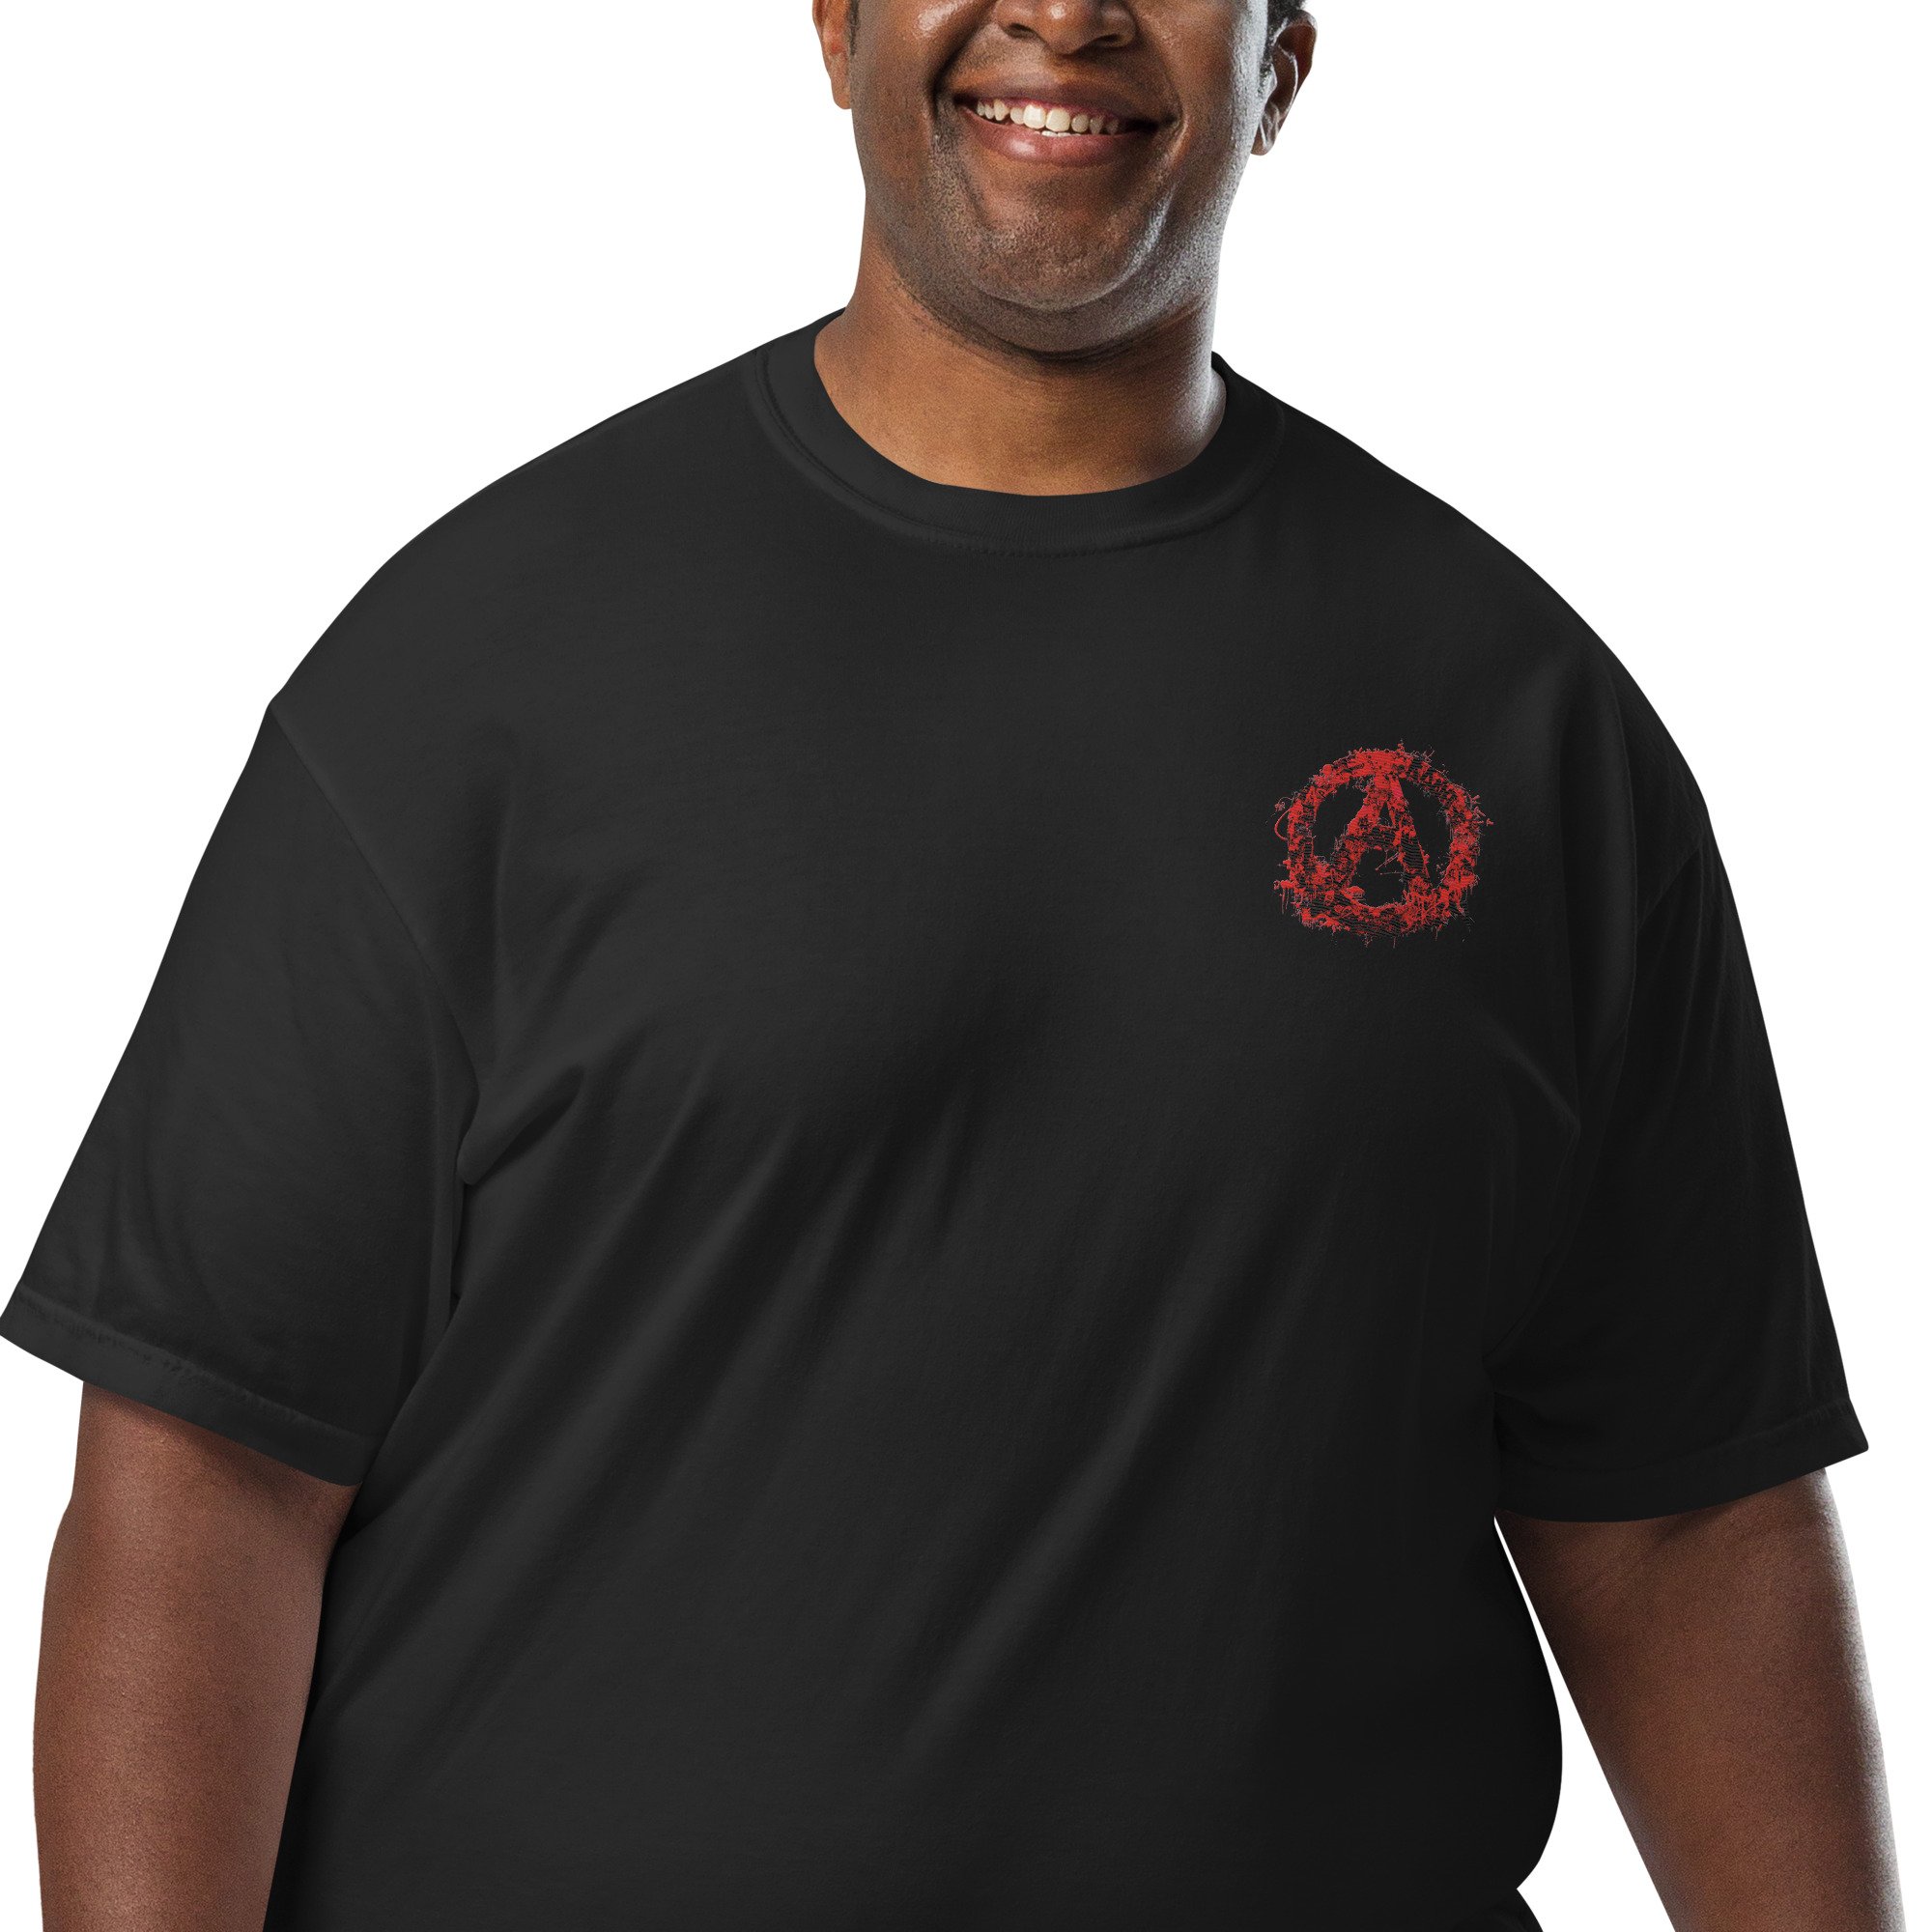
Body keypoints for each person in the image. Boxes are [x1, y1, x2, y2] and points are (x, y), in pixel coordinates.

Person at [3, 2, 1902, 1927]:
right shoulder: (474, 673)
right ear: (837, 28)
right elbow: (207, 1472)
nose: (1064, 12)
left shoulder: (1526, 726)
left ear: (1282, 62)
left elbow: (1683, 1519)